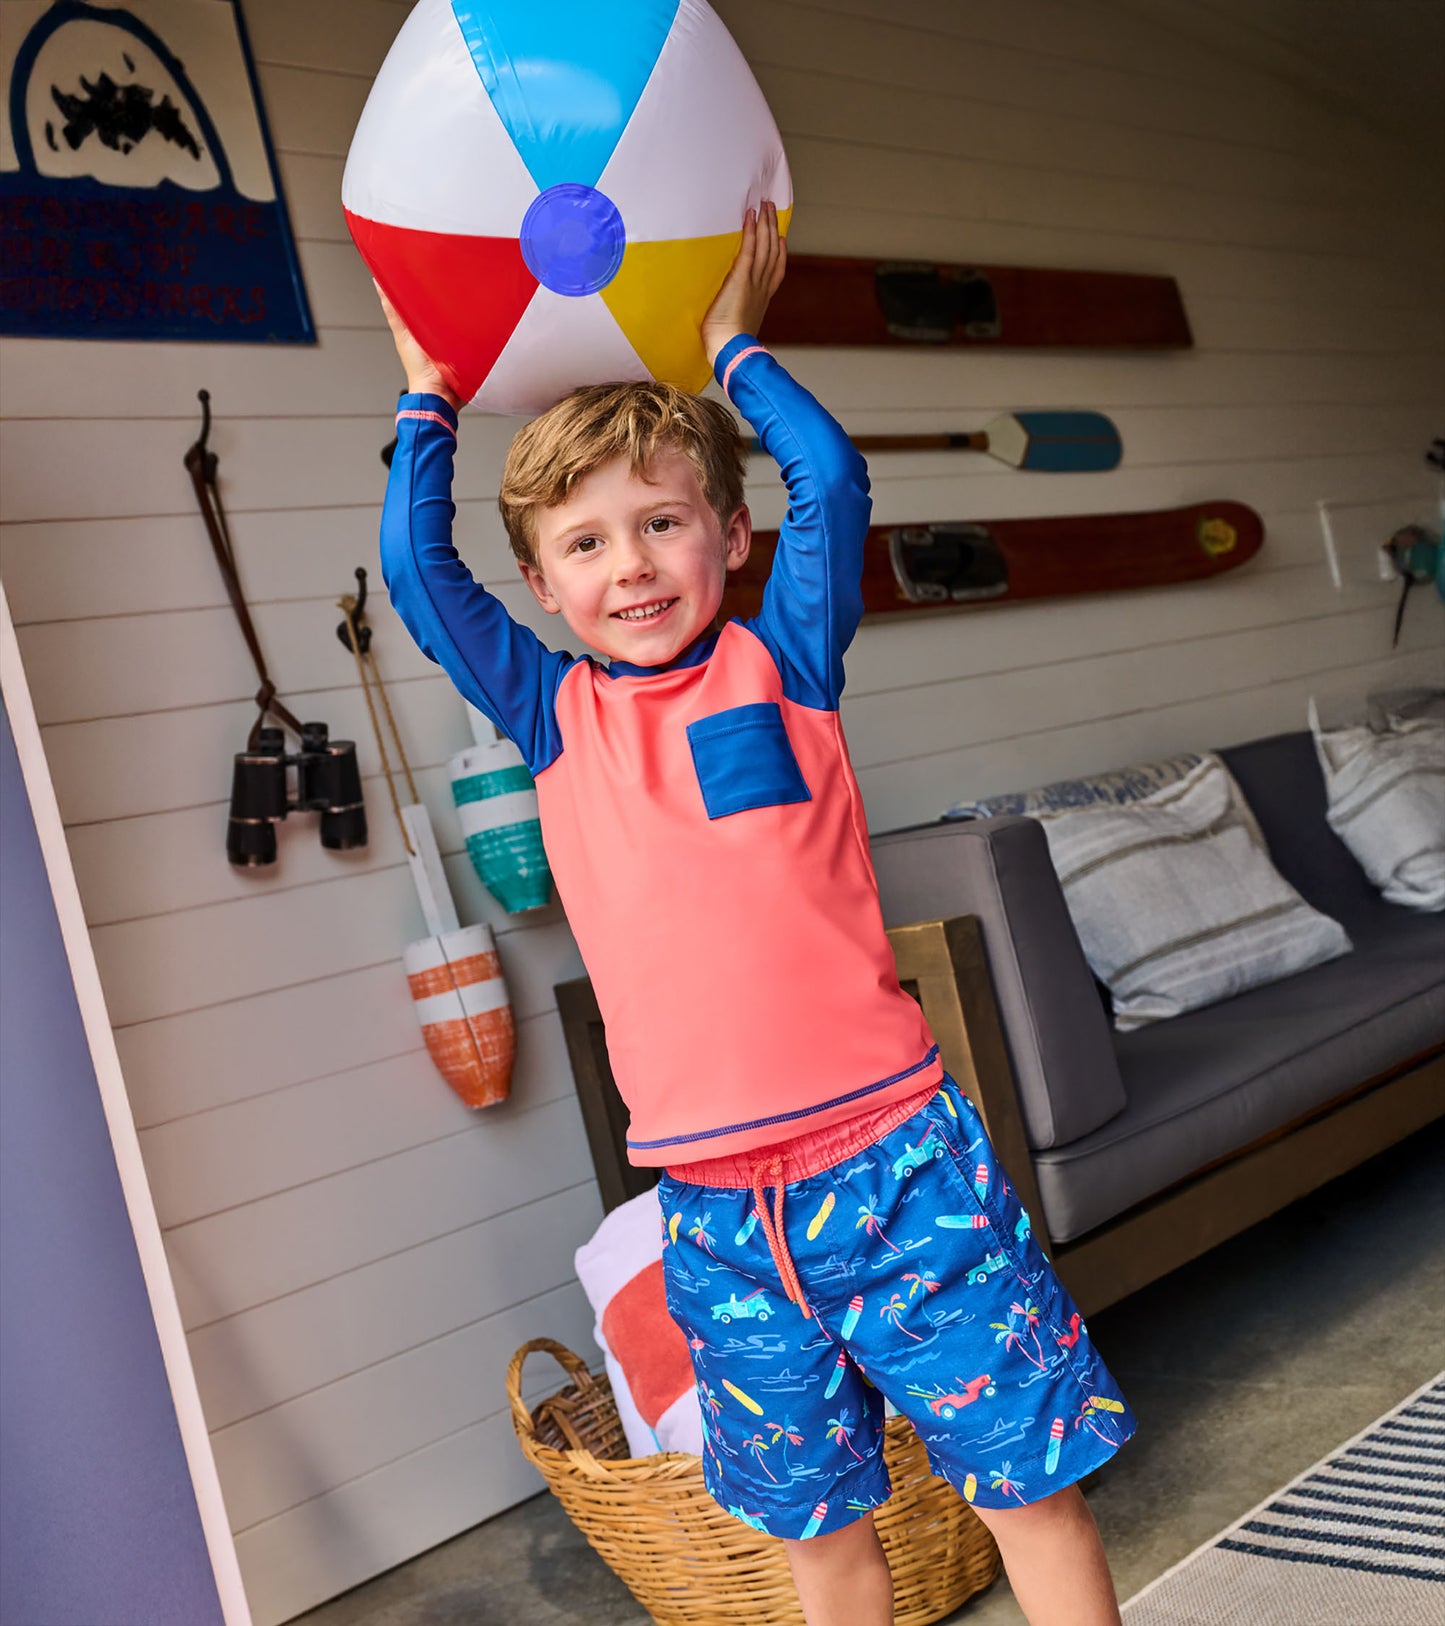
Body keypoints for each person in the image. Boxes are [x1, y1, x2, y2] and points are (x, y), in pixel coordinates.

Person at [377, 202, 1135, 1626]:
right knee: (818, 1540)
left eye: (662, 521)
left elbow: (832, 477)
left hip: (898, 1167)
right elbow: (422, 577)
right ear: (541, 586)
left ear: (728, 534)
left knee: (1025, 1486)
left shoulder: (782, 660)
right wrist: (427, 394)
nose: (632, 565)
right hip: (716, 1217)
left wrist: (732, 348)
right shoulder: (550, 713)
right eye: (586, 544)